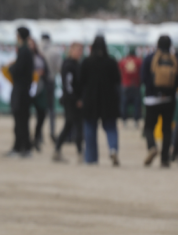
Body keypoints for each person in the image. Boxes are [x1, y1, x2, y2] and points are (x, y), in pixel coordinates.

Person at [79, 36, 121, 166]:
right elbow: (117, 80)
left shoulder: (86, 62)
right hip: (109, 100)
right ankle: (113, 149)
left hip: (91, 100)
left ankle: (91, 158)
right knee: (110, 127)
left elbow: (81, 81)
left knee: (90, 128)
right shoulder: (111, 61)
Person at [140, 35, 178, 168]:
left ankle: (152, 146)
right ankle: (164, 159)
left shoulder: (150, 58)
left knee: (149, 126)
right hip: (169, 99)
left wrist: (155, 91)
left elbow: (144, 77)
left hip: (151, 99)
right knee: (167, 129)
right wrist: (168, 93)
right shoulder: (174, 59)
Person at [52, 42, 84, 163]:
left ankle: (57, 149)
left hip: (72, 99)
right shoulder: (69, 65)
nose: (79, 53)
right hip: (71, 101)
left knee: (69, 125)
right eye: (77, 50)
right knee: (76, 126)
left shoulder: (76, 64)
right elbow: (68, 85)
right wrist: (76, 99)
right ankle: (80, 153)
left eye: (81, 50)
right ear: (71, 50)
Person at [7, 27, 33, 158]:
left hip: (20, 91)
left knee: (20, 120)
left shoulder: (23, 51)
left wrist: (10, 68)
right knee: (23, 120)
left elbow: (18, 70)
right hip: (25, 90)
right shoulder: (27, 51)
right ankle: (25, 147)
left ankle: (20, 147)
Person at [28, 38, 49, 151]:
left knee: (42, 114)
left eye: (32, 44)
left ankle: (36, 138)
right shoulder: (24, 57)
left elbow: (47, 72)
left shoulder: (40, 57)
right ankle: (27, 140)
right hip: (28, 90)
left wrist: (42, 73)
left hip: (39, 89)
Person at [40, 34, 63, 141]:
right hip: (50, 81)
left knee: (39, 109)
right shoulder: (54, 52)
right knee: (51, 109)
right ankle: (52, 132)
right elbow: (60, 69)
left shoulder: (37, 50)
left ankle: (38, 134)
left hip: (38, 82)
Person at [119, 48, 143, 127]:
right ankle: (136, 121)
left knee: (124, 103)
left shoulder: (123, 61)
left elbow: (119, 71)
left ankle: (124, 120)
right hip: (135, 84)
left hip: (125, 85)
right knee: (136, 104)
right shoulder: (139, 61)